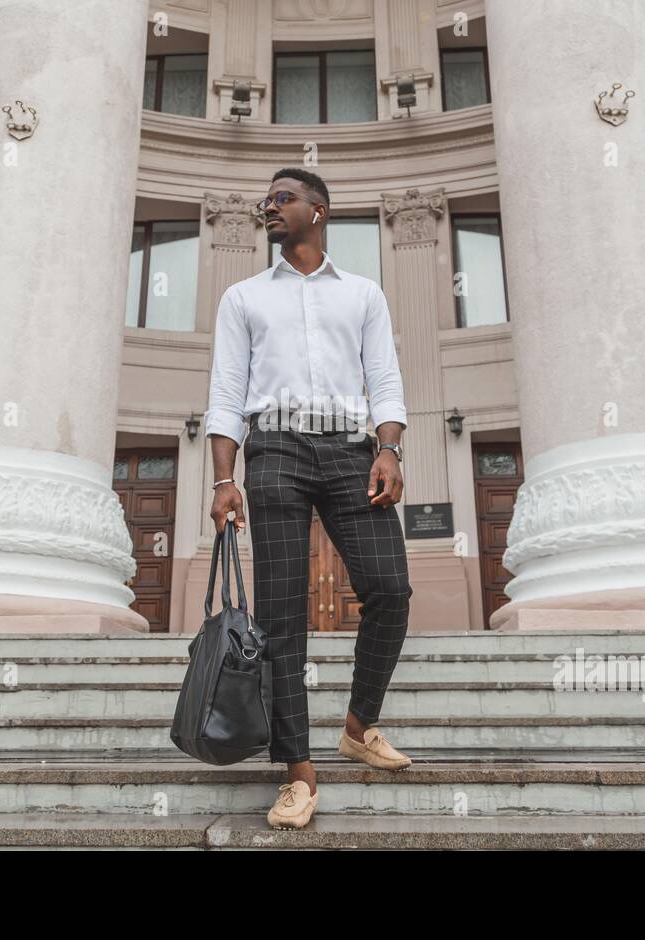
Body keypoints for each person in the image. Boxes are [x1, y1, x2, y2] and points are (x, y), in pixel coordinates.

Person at [203, 167, 414, 830]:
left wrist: (389, 449)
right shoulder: (243, 298)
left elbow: (384, 378)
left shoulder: (363, 294)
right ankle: (298, 771)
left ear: (317, 211)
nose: (270, 207)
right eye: (266, 200)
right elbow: (226, 396)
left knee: (390, 588)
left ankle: (358, 724)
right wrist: (223, 481)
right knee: (283, 615)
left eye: (282, 198)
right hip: (276, 452)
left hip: (352, 451)